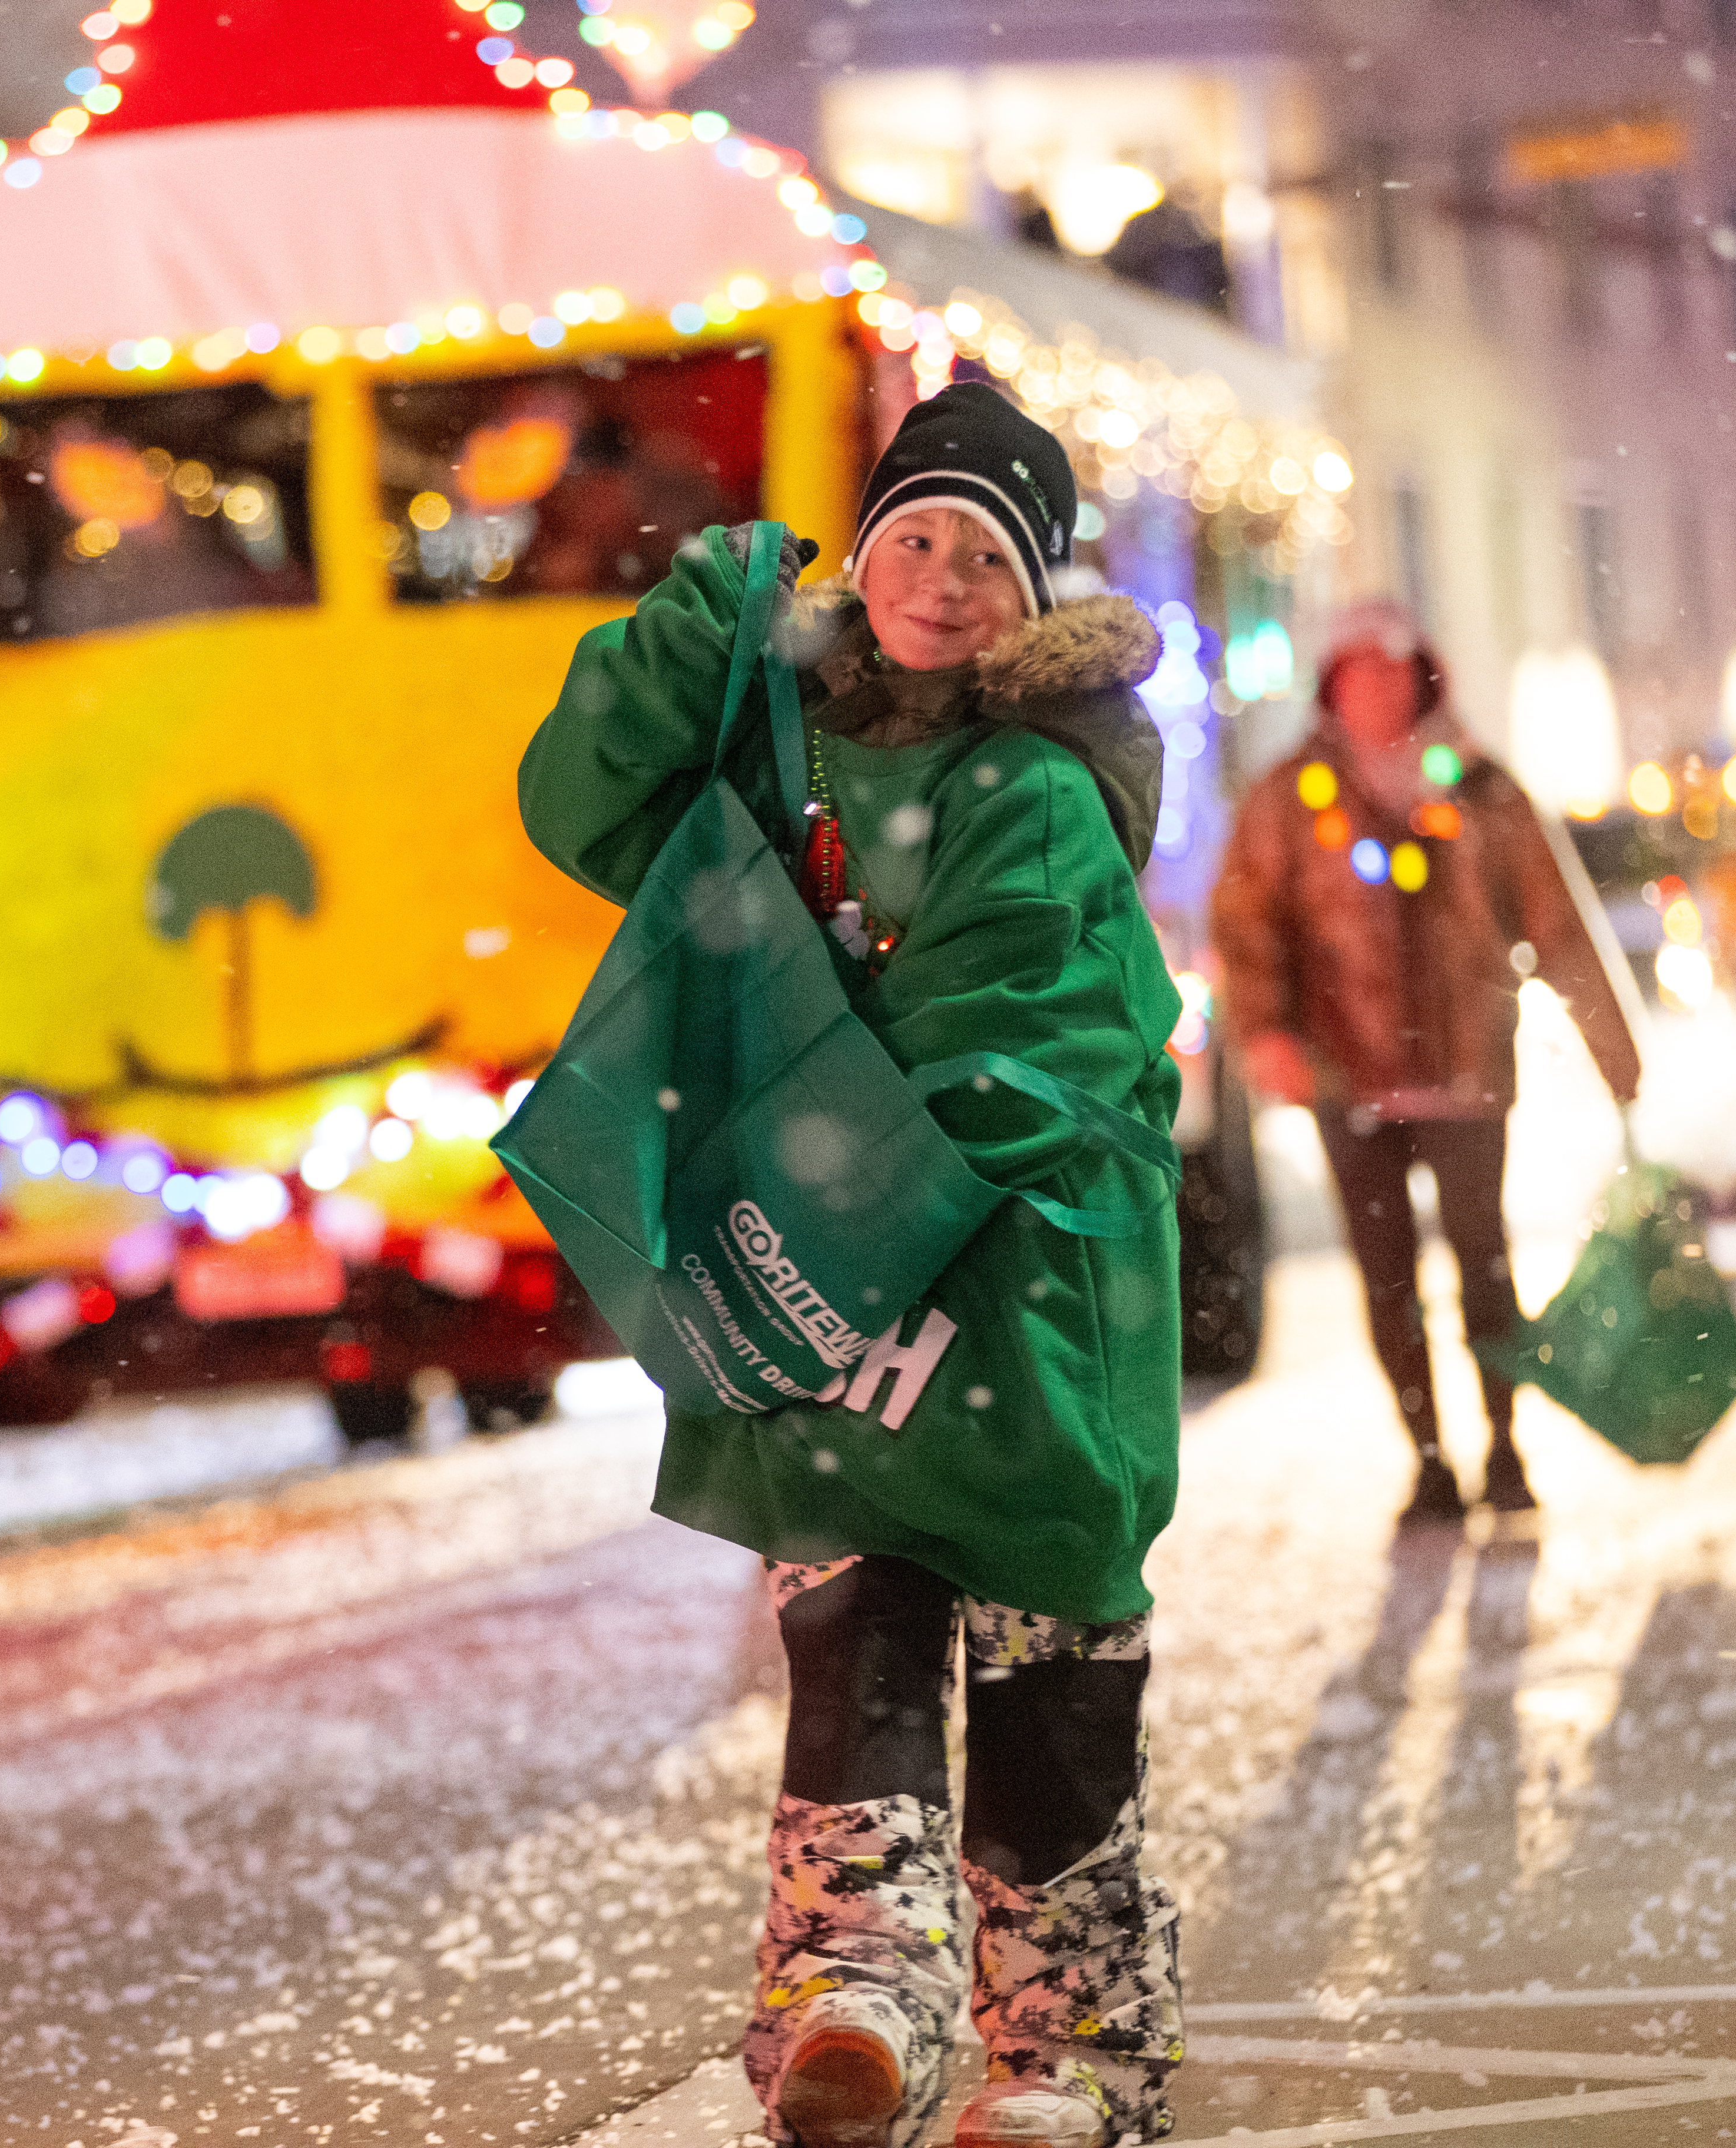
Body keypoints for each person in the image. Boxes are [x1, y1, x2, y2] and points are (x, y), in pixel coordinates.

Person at [522, 382, 1187, 2147]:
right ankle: (854, 1997)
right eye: (916, 538)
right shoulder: (787, 739)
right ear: (865, 555)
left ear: (1035, 600)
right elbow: (585, 801)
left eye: (987, 555)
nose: (946, 578)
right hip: (843, 1269)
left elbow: (1021, 1026)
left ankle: (1070, 2053)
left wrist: (844, 1172)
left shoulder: (1041, 786)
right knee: (857, 1639)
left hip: (1021, 1289)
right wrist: (693, 623)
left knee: (1047, 1665)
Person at [1207, 600, 1641, 1526]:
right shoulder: (1290, 799)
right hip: (1346, 1078)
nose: (1377, 686)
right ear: (1334, 682)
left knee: (1485, 1268)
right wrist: (1268, 1033)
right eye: (1357, 668)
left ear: (1422, 675)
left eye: (1392, 668)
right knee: (1387, 1277)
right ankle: (1432, 1460)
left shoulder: (1483, 790)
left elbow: (1558, 927)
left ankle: (1505, 1444)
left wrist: (1619, 1056)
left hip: (1468, 1073)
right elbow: (1245, 927)